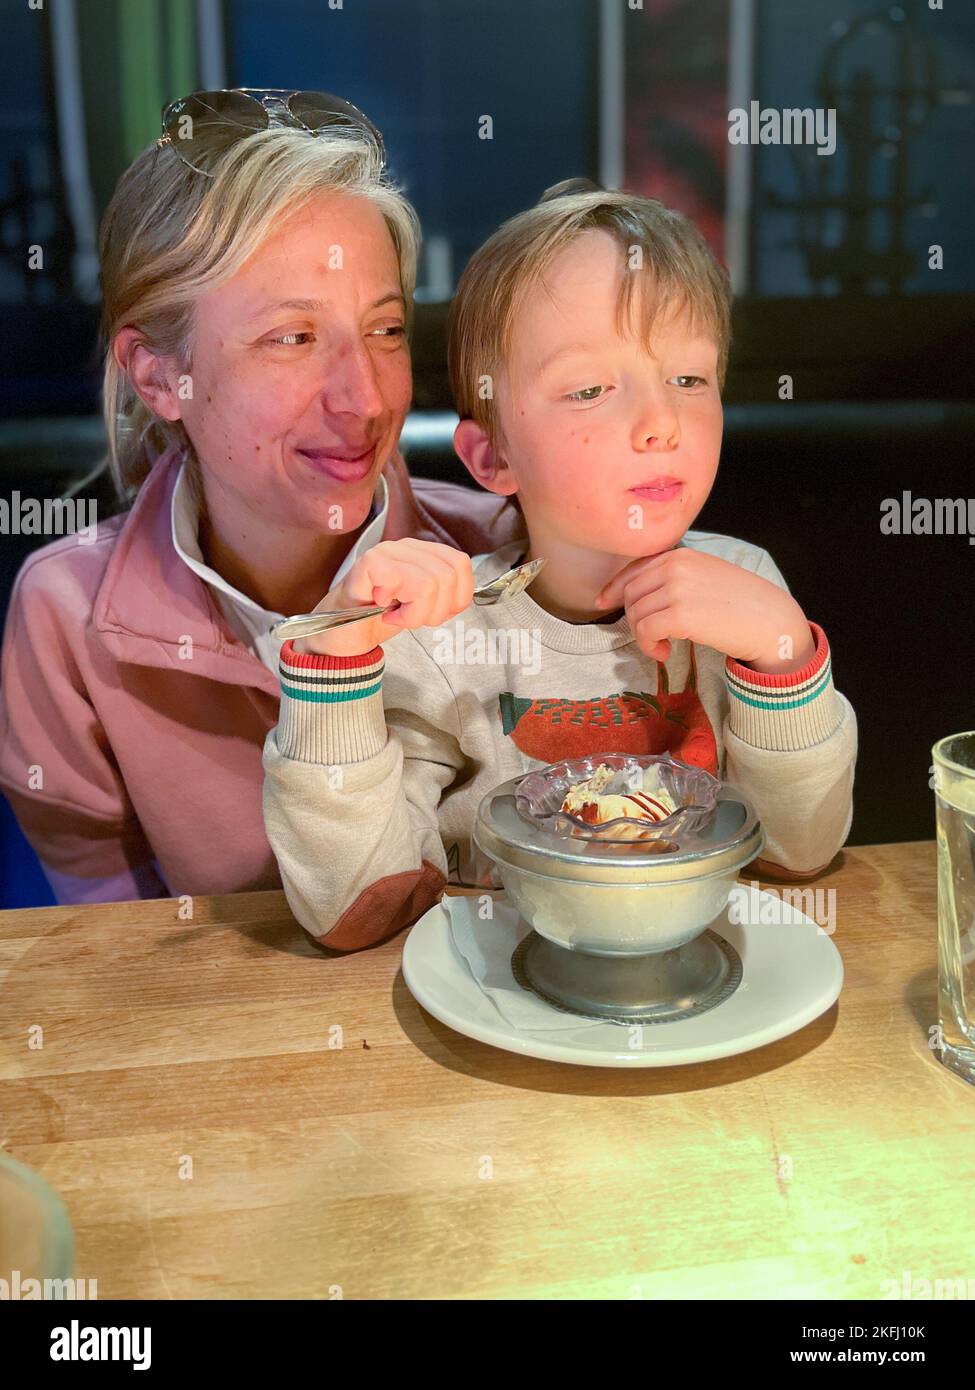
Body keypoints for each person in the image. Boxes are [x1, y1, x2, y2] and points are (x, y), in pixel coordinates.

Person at [261, 179, 859, 951]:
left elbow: (798, 854)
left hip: (695, 995)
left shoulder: (747, 591)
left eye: (688, 378)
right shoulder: (441, 635)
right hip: (495, 999)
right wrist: (337, 663)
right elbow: (351, 913)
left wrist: (783, 658)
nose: (659, 422)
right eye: (587, 389)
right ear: (491, 455)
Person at [0, 89, 523, 905]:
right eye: (293, 338)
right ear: (159, 375)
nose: (363, 399)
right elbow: (113, 964)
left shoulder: (507, 558)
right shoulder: (64, 617)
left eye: (384, 330)